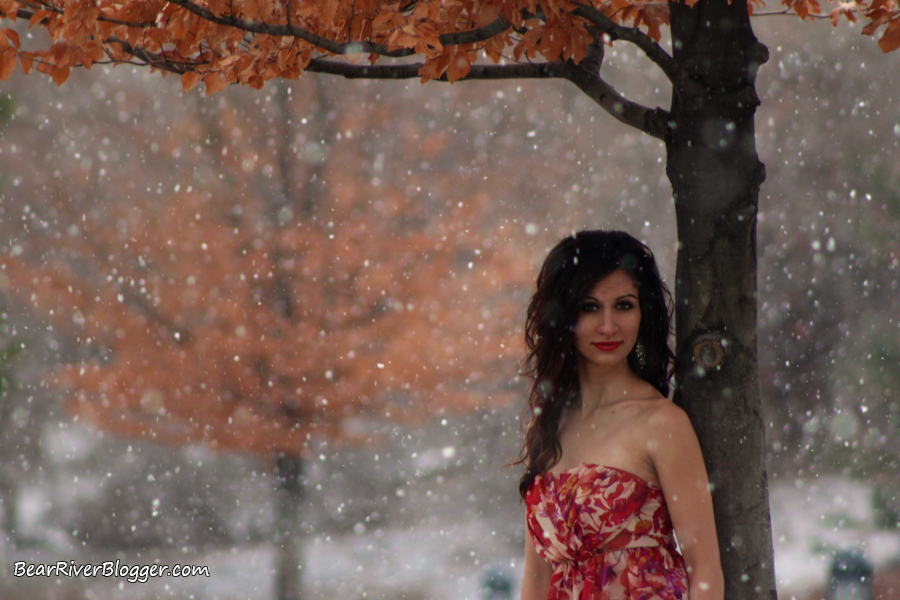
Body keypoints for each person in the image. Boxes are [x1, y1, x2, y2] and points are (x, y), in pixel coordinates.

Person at [515, 230, 723, 600]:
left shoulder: (662, 423)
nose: (608, 326)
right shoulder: (546, 429)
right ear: (563, 316)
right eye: (589, 307)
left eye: (624, 306)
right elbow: (536, 577)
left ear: (644, 313)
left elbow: (704, 567)